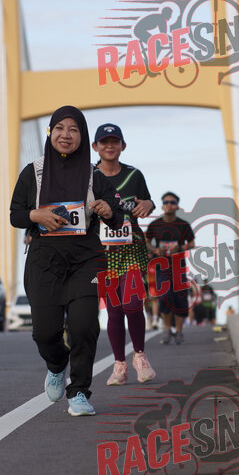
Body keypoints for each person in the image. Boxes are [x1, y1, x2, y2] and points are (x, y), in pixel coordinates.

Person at [10, 105, 124, 416]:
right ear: (50, 132)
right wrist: (37, 215)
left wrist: (107, 210)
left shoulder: (94, 175)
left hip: (85, 260)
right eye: (60, 128)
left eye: (74, 130)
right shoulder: (33, 172)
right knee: (44, 332)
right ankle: (57, 364)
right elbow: (16, 215)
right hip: (44, 260)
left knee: (84, 326)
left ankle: (79, 392)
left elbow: (116, 216)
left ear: (82, 136)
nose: (66, 135)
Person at [91, 123, 157, 386]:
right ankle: (119, 365)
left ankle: (140, 356)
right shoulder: (88, 177)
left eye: (114, 141)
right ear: (95, 147)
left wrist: (149, 204)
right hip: (102, 253)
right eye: (104, 142)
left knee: (132, 304)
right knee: (115, 311)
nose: (109, 146)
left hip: (131, 250)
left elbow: (146, 202)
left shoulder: (134, 175)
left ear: (123, 146)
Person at [145, 192, 195, 345]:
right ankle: (167, 329)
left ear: (177, 206)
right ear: (162, 206)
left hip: (179, 267)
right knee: (165, 297)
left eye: (172, 202)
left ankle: (179, 332)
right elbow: (146, 241)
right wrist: (155, 250)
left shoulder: (183, 225)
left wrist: (180, 248)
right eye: (166, 202)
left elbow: (192, 243)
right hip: (161, 267)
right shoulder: (155, 225)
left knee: (180, 300)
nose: (169, 205)